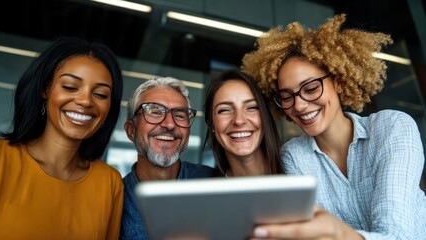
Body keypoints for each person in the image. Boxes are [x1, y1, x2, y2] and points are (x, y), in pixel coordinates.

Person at [242, 13, 426, 239]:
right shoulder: (295, 154)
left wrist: (338, 232)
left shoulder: (392, 127)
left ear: (338, 82)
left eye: (310, 89)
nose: (299, 105)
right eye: (287, 96)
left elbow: (398, 235)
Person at [0, 36, 124, 239]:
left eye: (100, 94)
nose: (85, 101)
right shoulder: (0, 159)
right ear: (45, 90)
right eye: (70, 87)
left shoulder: (109, 182)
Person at [120, 76, 216, 240]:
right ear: (131, 130)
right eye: (155, 112)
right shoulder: (115, 199)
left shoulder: (214, 184)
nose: (170, 124)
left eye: (179, 115)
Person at [203, 69, 283, 177]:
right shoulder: (209, 191)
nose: (239, 120)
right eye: (225, 110)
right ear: (212, 124)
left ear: (265, 117)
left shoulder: (297, 172)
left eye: (251, 107)